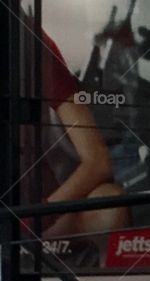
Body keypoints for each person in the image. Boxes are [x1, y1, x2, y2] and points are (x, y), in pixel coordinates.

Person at [19, 21, 130, 263]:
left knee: (109, 205)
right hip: (24, 226)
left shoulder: (30, 45)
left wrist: (32, 221)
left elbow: (97, 162)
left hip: (38, 224)